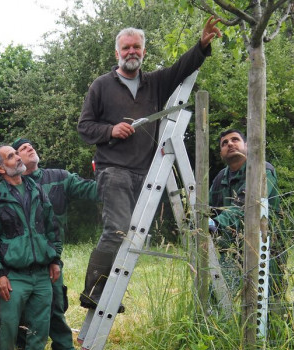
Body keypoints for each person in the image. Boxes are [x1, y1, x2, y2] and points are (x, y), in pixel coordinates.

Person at [77, 17, 221, 309]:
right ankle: (93, 291)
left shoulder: (154, 83)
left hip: (145, 172)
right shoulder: (102, 85)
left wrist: (202, 44)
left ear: (143, 51)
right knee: (117, 228)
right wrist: (110, 130)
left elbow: (183, 67)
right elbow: (84, 127)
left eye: (137, 47)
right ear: (117, 53)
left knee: (131, 235)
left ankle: (108, 291)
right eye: (126, 47)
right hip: (113, 169)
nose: (132, 52)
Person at [0, 144, 62, 350]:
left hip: (41, 272)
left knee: (40, 323)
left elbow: (51, 227)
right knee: (9, 324)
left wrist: (55, 258)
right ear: (0, 168)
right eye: (11, 156)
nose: (17, 158)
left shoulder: (36, 190)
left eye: (16, 154)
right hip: (13, 274)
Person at [12, 138, 98, 350]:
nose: (30, 147)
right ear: (14, 159)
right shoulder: (12, 185)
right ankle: (21, 348)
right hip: (20, 258)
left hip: (51, 255)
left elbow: (92, 190)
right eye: (22, 148)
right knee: (21, 305)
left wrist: (110, 177)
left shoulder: (59, 177)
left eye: (31, 145)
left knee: (55, 302)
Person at [208, 129, 284, 300]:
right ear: (221, 153)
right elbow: (209, 207)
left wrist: (215, 224)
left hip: (266, 248)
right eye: (224, 143)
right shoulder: (221, 177)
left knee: (266, 304)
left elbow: (247, 206)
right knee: (217, 297)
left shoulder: (262, 169)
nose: (229, 144)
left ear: (247, 146)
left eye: (235, 139)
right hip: (232, 250)